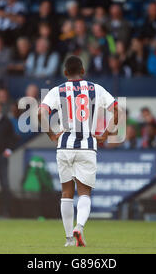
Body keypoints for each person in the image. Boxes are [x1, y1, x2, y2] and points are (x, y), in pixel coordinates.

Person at [38, 56, 119, 247]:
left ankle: (68, 239)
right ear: (83, 71)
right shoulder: (95, 89)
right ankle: (79, 227)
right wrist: (105, 133)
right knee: (84, 193)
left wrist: (51, 134)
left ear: (65, 73)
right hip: (87, 146)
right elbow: (117, 111)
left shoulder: (58, 91)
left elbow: (40, 113)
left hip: (64, 145)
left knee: (66, 192)